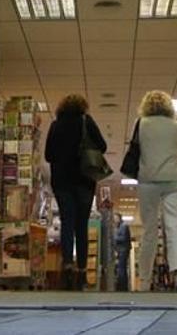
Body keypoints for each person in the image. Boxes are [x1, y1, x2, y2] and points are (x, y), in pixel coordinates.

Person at [44, 94, 108, 290]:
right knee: (81, 226)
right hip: (84, 180)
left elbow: (48, 155)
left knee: (67, 222)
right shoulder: (85, 121)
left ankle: (67, 267)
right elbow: (103, 146)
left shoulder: (55, 125)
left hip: (62, 182)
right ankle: (82, 271)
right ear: (82, 106)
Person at [134, 90, 177, 291]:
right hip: (174, 180)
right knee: (174, 226)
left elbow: (138, 152)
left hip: (148, 181)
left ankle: (144, 280)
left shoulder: (141, 124)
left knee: (149, 230)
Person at [113, 212, 132, 291]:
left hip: (123, 250)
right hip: (122, 250)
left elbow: (123, 238)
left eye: (115, 218)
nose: (114, 220)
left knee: (122, 269)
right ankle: (122, 286)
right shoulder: (119, 227)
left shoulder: (123, 226)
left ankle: (122, 287)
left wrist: (114, 237)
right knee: (122, 268)